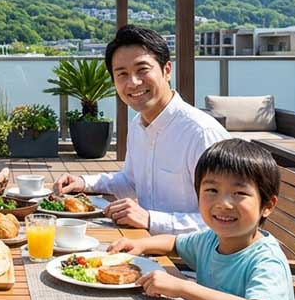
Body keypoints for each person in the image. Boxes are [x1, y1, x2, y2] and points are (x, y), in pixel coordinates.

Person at [108, 138, 295, 300]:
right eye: (211, 190)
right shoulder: (211, 239)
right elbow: (174, 242)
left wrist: (185, 288)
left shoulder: (265, 260)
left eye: (239, 193)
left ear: (267, 205)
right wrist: (139, 244)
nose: (223, 203)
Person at [54, 25, 229, 233]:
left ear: (167, 70)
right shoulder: (138, 124)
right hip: (147, 245)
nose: (133, 82)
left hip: (192, 261)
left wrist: (150, 219)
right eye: (122, 74)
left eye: (142, 70)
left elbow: (228, 218)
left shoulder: (201, 133)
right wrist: (82, 182)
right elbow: (130, 181)